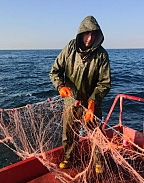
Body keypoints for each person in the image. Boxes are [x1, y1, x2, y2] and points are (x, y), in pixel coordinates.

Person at [49, 15, 111, 173]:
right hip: (71, 101)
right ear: (81, 33)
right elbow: (55, 71)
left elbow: (104, 83)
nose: (89, 38)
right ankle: (69, 158)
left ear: (97, 35)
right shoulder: (70, 48)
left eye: (93, 34)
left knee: (95, 133)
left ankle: (98, 161)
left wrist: (93, 102)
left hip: (92, 104)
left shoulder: (102, 55)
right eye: (86, 33)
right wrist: (60, 86)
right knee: (69, 132)